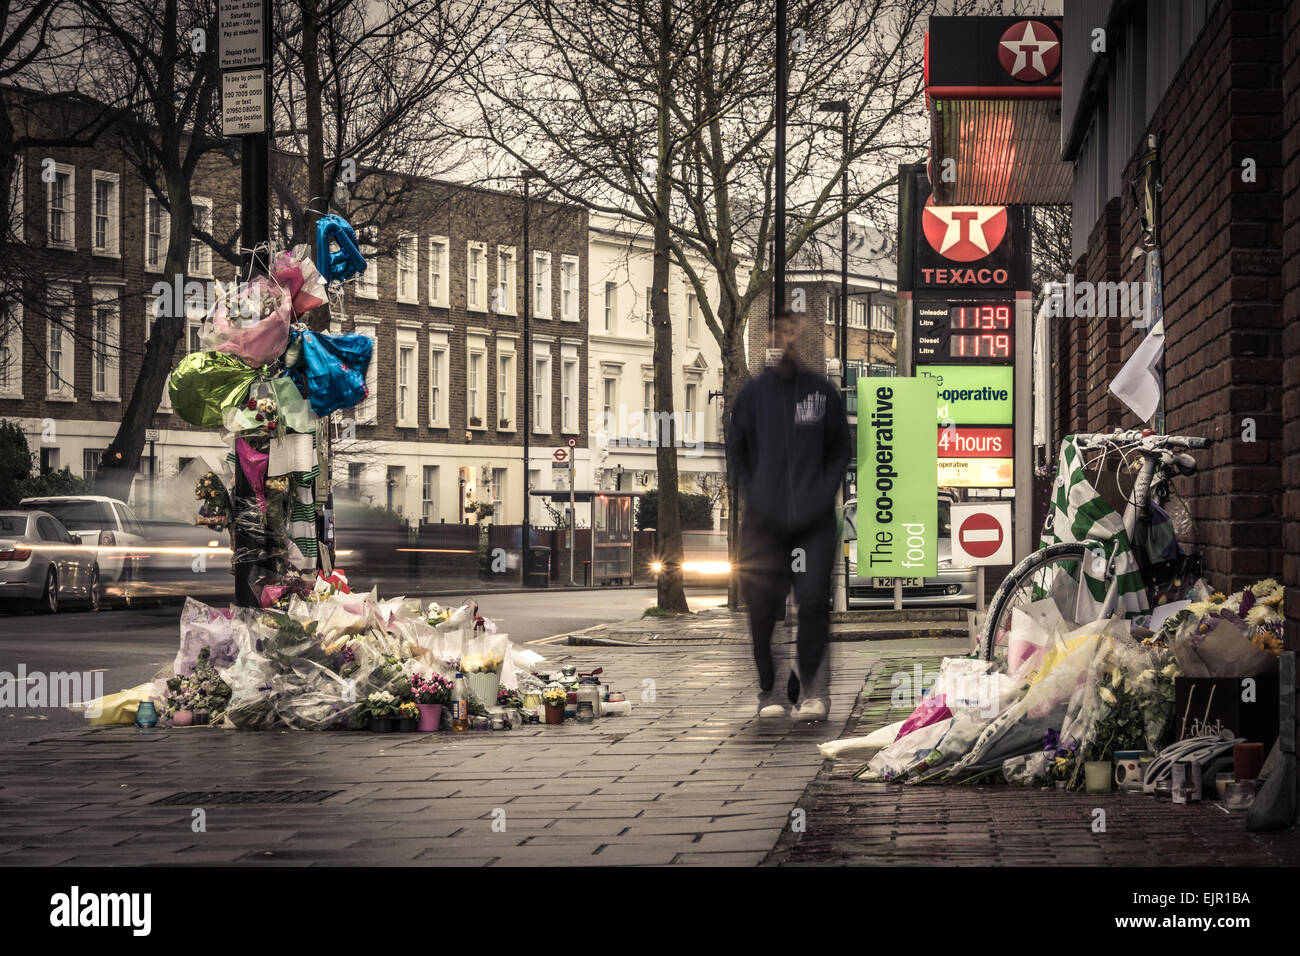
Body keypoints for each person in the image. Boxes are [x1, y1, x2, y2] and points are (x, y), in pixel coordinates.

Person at [727, 309, 851, 721]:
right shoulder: (753, 395)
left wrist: (821, 495)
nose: (787, 337)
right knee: (762, 606)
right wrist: (757, 494)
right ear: (768, 337)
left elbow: (840, 452)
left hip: (814, 523)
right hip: (764, 525)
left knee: (814, 602)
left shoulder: (822, 393)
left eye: (793, 328)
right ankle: (771, 690)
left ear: (803, 333)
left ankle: (813, 690)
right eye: (778, 330)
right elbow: (737, 451)